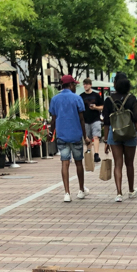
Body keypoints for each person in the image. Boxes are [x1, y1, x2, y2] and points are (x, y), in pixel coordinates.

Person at [103, 71, 137, 202]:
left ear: (115, 84)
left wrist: (105, 141)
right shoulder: (132, 99)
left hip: (114, 135)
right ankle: (131, 191)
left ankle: (119, 193)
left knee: (118, 164)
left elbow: (106, 123)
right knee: (129, 164)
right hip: (130, 134)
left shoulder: (109, 100)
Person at [49, 74, 91, 202]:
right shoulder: (77, 98)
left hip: (61, 135)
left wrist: (51, 132)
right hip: (76, 134)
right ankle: (81, 190)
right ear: (70, 85)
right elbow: (82, 119)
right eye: (74, 84)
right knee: (79, 162)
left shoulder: (55, 99)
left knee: (64, 162)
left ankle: (67, 193)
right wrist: (85, 136)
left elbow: (53, 119)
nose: (75, 87)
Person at [80, 78, 104, 163]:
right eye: (84, 84)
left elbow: (102, 106)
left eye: (86, 84)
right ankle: (89, 151)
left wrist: (95, 107)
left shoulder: (96, 95)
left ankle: (96, 154)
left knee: (96, 136)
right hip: (85, 120)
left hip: (95, 119)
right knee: (88, 137)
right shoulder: (81, 96)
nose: (85, 86)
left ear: (90, 85)